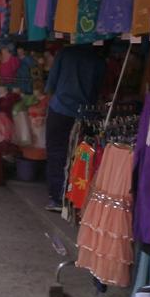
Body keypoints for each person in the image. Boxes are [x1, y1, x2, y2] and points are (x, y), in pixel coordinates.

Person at [44, 44, 105, 211]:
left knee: (56, 151)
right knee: (81, 156)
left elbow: (51, 83)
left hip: (60, 109)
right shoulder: (97, 59)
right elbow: (97, 89)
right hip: (84, 113)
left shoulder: (65, 53)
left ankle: (57, 197)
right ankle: (76, 197)